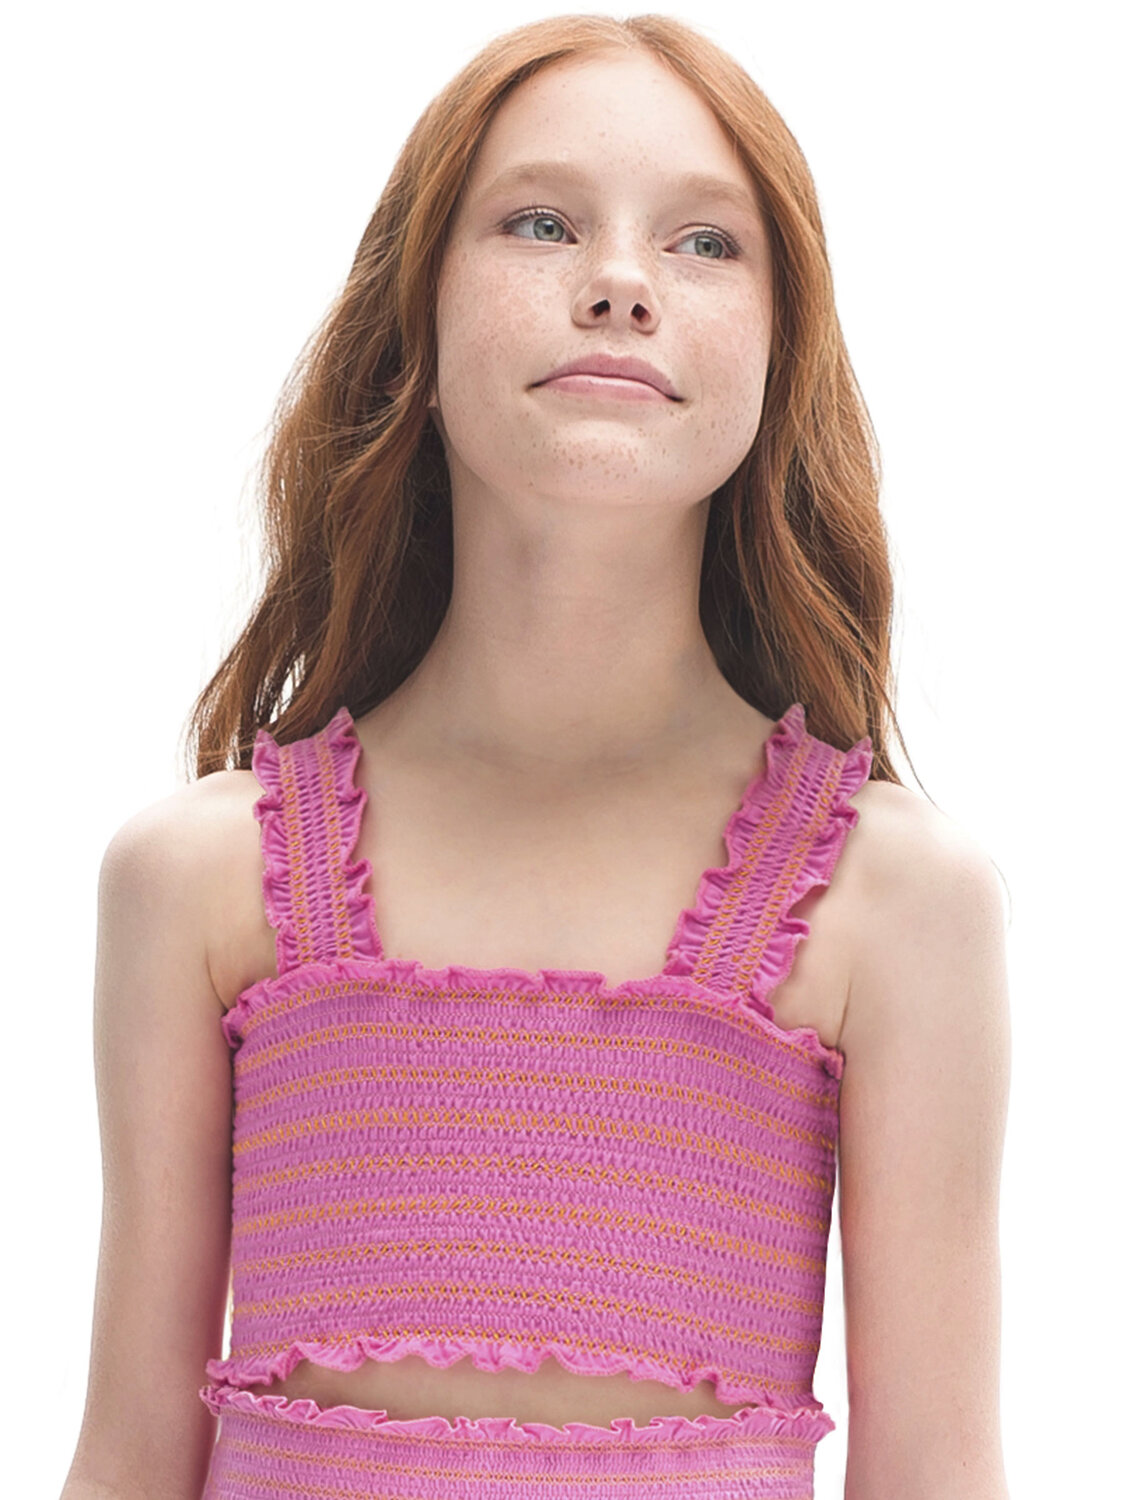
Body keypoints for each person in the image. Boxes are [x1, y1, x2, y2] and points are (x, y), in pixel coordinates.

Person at [60, 13, 1011, 1500]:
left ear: (780, 354)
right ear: (415, 319)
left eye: (707, 243)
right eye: (543, 222)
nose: (621, 282)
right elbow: (129, 1457)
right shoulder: (199, 877)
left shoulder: (897, 903)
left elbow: (939, 1475)